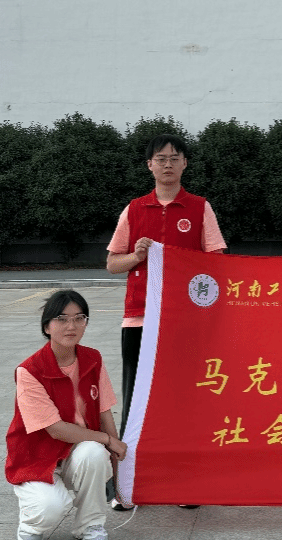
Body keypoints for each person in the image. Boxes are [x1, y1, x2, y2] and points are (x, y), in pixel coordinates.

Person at [106, 134, 226, 434]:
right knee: (137, 392)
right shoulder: (134, 209)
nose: (168, 164)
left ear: (185, 163)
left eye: (174, 159)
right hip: (140, 318)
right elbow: (112, 264)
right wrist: (136, 256)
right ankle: (132, 454)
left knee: (187, 387)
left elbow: (217, 262)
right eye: (161, 159)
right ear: (150, 165)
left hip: (185, 318)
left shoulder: (200, 208)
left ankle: (186, 446)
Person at [6, 289, 125, 540]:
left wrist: (118, 468)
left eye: (79, 318)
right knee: (50, 508)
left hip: (78, 452)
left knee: (94, 454)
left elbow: (104, 410)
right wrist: (106, 440)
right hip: (38, 457)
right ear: (47, 326)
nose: (71, 326)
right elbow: (56, 429)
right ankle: (29, 528)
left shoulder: (92, 358)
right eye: (62, 319)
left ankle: (90, 526)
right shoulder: (29, 371)